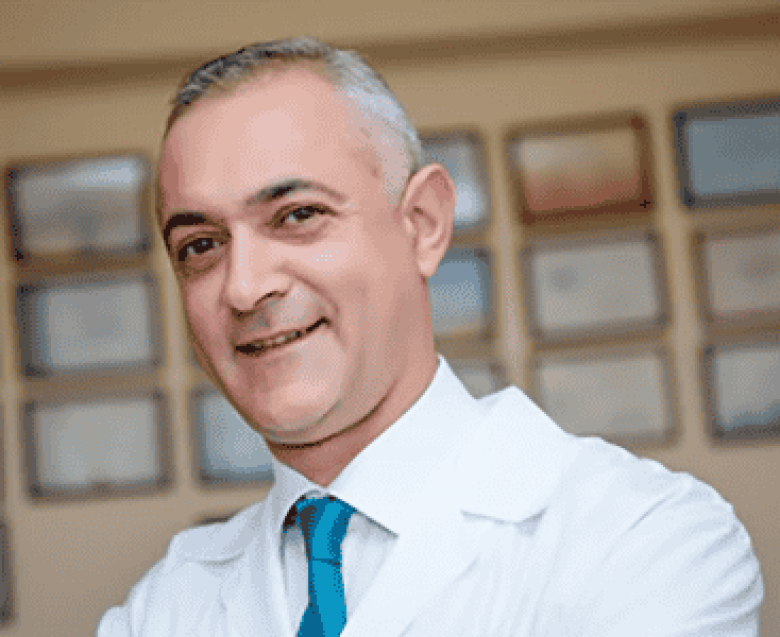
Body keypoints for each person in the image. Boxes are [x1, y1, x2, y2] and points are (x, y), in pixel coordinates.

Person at [97, 37, 763, 636]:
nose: (244, 287)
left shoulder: (643, 538)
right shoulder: (166, 604)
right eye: (201, 245)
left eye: (297, 215)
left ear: (421, 224)